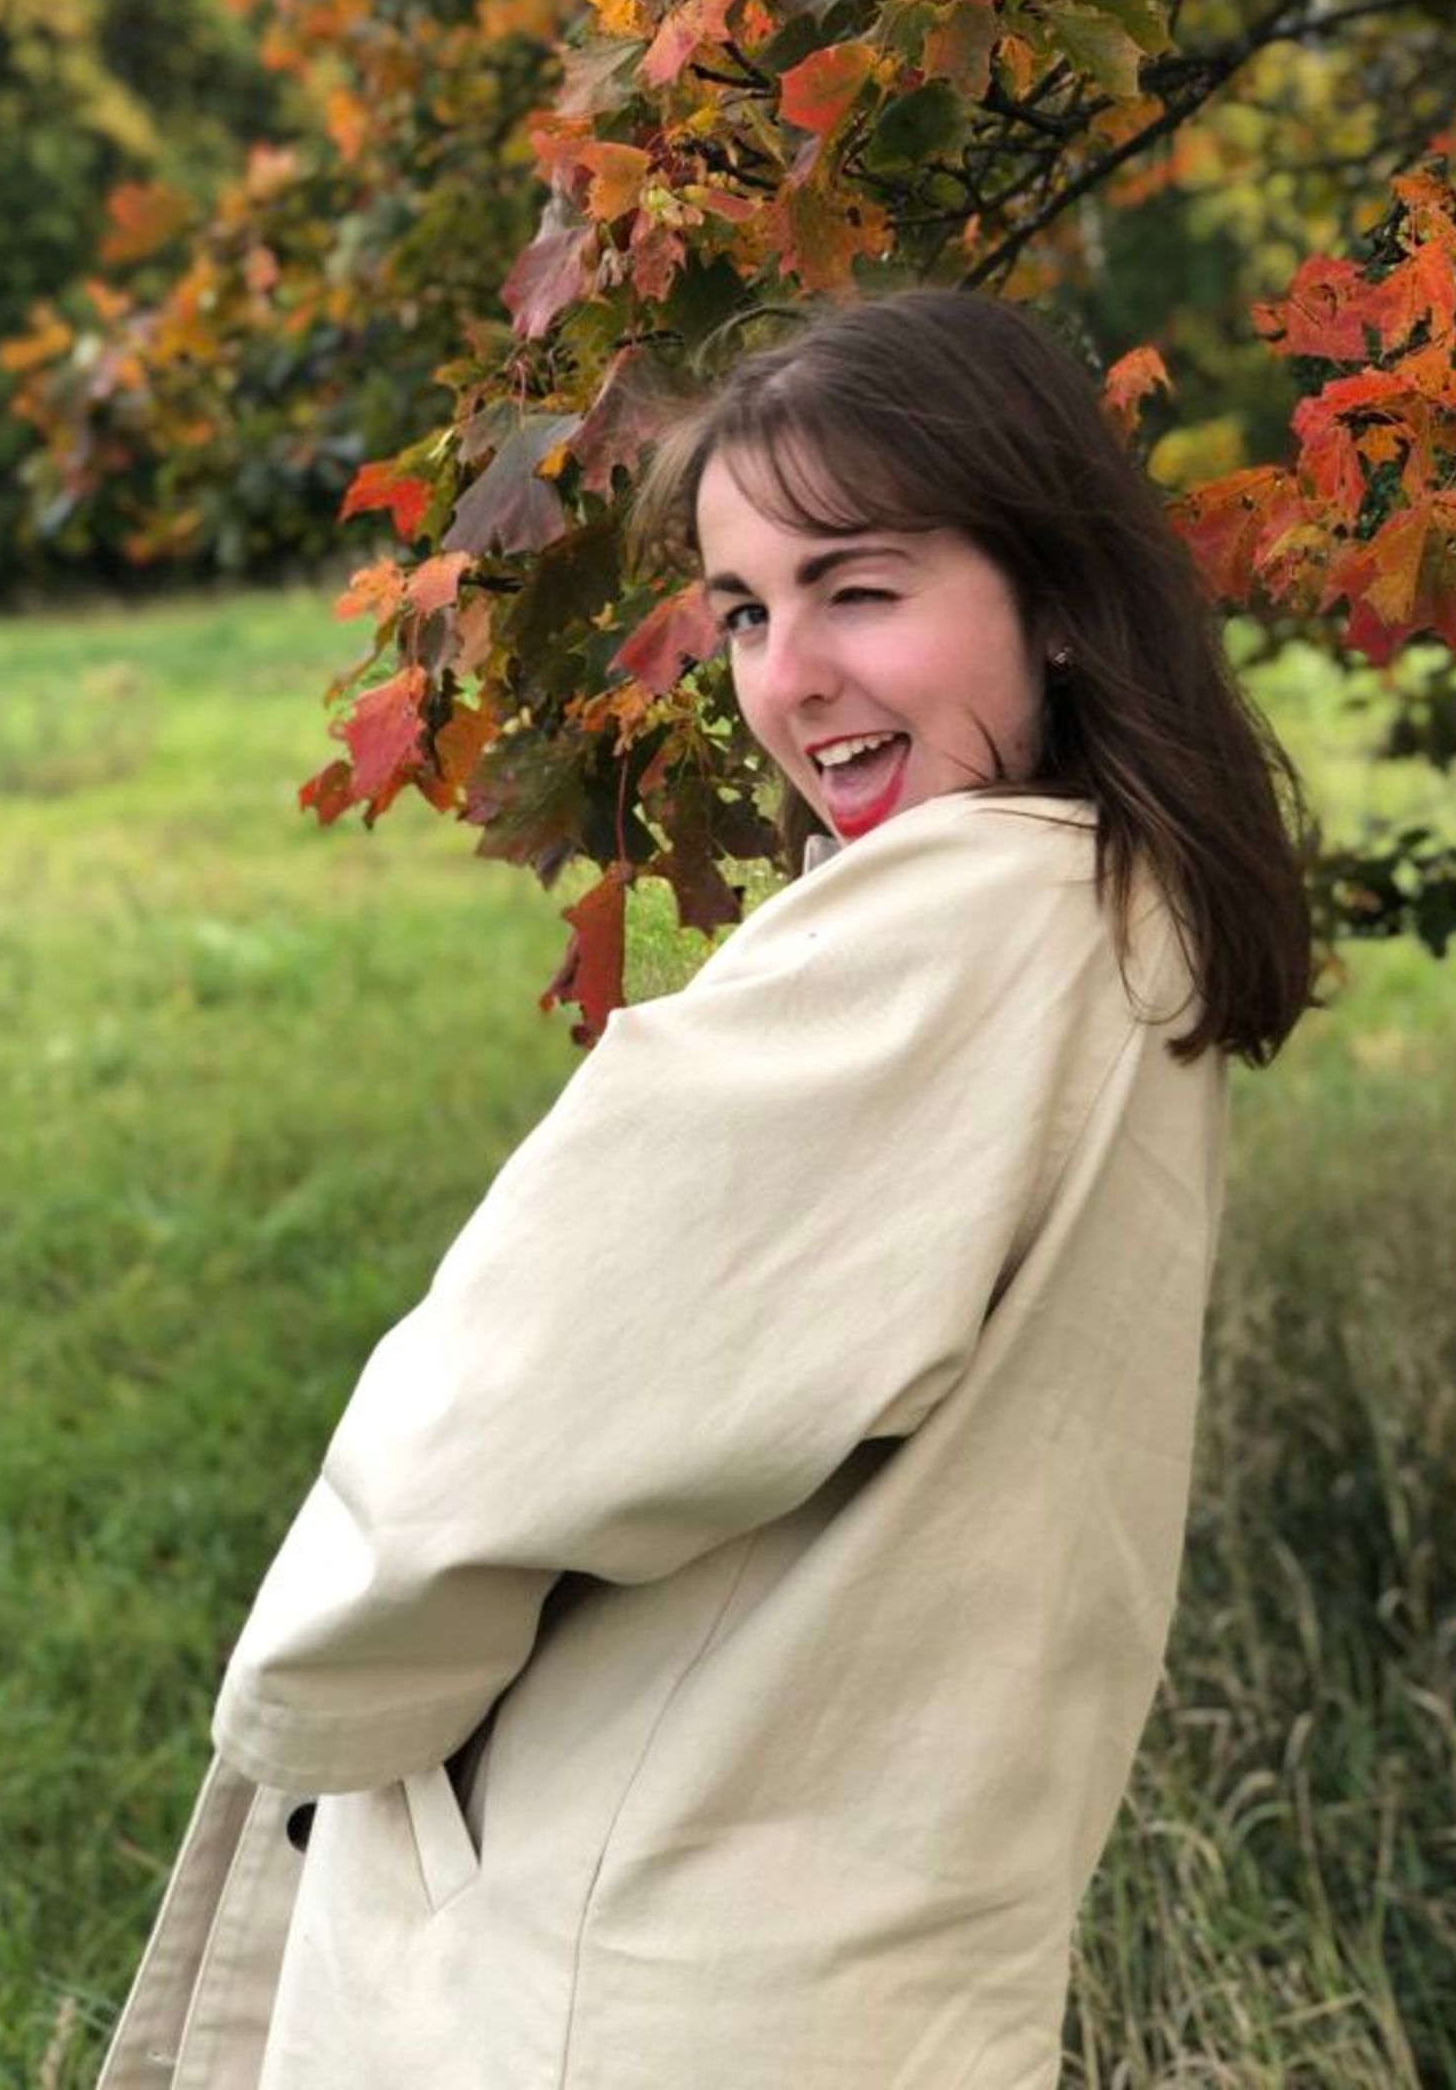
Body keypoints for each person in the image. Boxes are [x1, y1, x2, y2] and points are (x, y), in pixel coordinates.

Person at [96, 288, 1315, 2090]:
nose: (786, 674)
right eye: (748, 607)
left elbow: (511, 1415)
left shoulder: (955, 929)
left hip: (637, 1954)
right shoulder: (1125, 907)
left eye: (862, 589)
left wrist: (334, 1695)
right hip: (867, 1929)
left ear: (1055, 603)